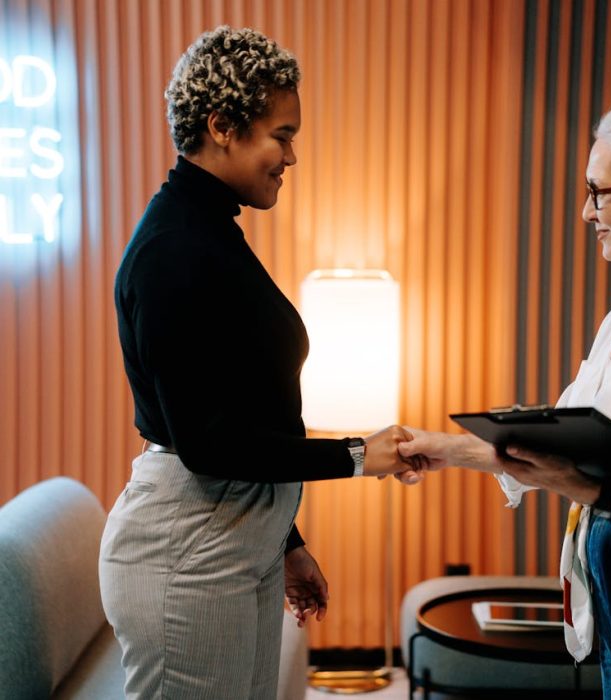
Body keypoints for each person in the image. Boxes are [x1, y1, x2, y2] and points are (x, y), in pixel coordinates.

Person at [99, 26, 418, 700]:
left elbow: (249, 409)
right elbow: (210, 443)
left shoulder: (211, 232)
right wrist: (360, 455)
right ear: (221, 126)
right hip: (186, 551)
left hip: (235, 534)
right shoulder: (172, 252)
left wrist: (286, 539)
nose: (292, 155)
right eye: (282, 134)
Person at [398, 96, 611, 698]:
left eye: (599, 192)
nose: (587, 212)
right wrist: (445, 450)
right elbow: (562, 442)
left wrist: (589, 491)